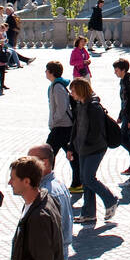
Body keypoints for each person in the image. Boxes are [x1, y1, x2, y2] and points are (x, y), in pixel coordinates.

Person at [5, 156, 66, 260]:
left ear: (26, 181)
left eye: (13, 178)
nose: (9, 183)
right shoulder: (44, 198)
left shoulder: (39, 217)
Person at [24, 144, 76, 260]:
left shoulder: (48, 192)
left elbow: (50, 231)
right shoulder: (56, 184)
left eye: (31, 160)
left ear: (45, 163)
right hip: (57, 251)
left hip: (52, 255)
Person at [67, 78, 119, 226]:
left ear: (80, 90)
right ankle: (88, 213)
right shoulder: (80, 104)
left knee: (89, 178)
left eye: (73, 91)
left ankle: (111, 199)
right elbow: (76, 126)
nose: (71, 94)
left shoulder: (93, 107)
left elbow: (96, 131)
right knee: (85, 180)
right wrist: (72, 146)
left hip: (95, 148)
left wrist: (84, 144)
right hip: (83, 148)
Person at [45, 61, 82, 192]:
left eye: (46, 70)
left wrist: (54, 123)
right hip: (63, 126)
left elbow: (61, 109)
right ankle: (78, 182)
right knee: (71, 154)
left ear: (51, 72)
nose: (45, 72)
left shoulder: (57, 87)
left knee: (47, 154)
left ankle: (45, 182)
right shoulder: (56, 86)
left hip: (61, 126)